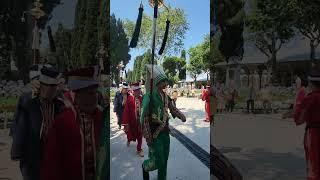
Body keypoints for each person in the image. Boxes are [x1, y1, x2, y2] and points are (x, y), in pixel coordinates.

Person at [41, 66, 103, 180]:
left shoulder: (101, 118)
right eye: (89, 93)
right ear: (78, 96)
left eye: (95, 93)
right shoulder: (63, 121)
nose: (94, 98)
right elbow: (51, 163)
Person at [11, 66, 63, 180]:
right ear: (40, 85)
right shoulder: (28, 101)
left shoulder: (59, 105)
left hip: (52, 156)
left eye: (52, 87)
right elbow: (19, 127)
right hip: (32, 157)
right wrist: (17, 153)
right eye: (45, 86)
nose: (49, 90)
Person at [140, 65, 186, 180]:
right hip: (155, 134)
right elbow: (144, 116)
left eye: (165, 81)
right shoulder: (149, 96)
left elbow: (172, 107)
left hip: (165, 132)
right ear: (156, 82)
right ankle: (145, 166)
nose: (165, 83)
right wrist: (147, 136)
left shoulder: (165, 96)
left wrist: (181, 115)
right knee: (157, 161)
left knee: (164, 159)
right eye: (163, 81)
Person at [294, 65, 320, 180]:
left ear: (311, 83)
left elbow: (299, 120)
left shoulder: (310, 98)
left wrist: (297, 104)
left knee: (313, 165)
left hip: (314, 134)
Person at [122, 82, 144, 157]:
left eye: (139, 90)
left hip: (139, 121)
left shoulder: (142, 98)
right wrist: (126, 123)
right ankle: (129, 139)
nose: (138, 92)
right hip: (131, 121)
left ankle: (139, 149)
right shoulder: (130, 99)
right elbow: (126, 111)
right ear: (134, 91)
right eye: (137, 90)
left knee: (140, 135)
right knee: (130, 133)